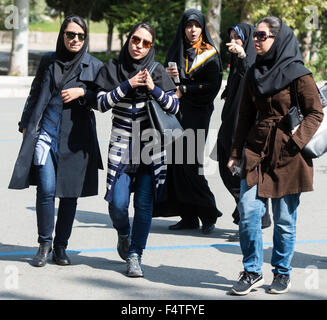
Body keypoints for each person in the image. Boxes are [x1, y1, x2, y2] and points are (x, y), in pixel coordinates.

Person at [228, 17, 324, 295]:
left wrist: (295, 142)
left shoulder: (298, 74)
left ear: (278, 40)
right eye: (255, 35)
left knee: (284, 220)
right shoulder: (253, 73)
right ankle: (252, 271)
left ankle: (282, 272)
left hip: (289, 153)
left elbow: (315, 112)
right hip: (256, 149)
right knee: (248, 213)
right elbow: (245, 115)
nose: (256, 40)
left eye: (262, 35)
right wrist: (235, 152)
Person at [8, 15, 103, 267]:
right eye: (70, 34)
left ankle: (61, 247)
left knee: (70, 195)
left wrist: (83, 92)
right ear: (62, 35)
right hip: (46, 137)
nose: (75, 40)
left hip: (76, 141)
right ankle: (44, 244)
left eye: (80, 36)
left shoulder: (93, 65)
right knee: (47, 190)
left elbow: (103, 99)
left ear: (85, 38)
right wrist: (25, 123)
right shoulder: (49, 61)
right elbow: (35, 91)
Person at [94, 23, 178, 277]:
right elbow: (100, 103)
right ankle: (123, 233)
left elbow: (174, 107)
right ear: (128, 39)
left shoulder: (157, 71)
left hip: (151, 151)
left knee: (143, 205)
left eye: (145, 43)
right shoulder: (113, 68)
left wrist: (154, 88)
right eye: (135, 40)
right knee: (118, 205)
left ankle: (134, 255)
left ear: (151, 46)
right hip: (121, 149)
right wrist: (128, 84)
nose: (139, 46)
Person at [153, 8, 223, 234]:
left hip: (197, 114)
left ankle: (208, 213)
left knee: (191, 166)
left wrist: (184, 89)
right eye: (188, 25)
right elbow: (165, 80)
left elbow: (212, 86)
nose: (193, 30)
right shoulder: (176, 50)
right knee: (175, 165)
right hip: (174, 114)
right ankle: (188, 216)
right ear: (183, 28)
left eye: (197, 25)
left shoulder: (209, 53)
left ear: (203, 28)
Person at [210, 23, 271, 230]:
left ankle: (253, 218)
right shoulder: (236, 61)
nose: (234, 41)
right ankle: (248, 214)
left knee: (242, 174)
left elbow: (253, 77)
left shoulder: (253, 61)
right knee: (227, 169)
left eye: (238, 37)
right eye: (232, 37)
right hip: (230, 125)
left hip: (245, 127)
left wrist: (244, 55)